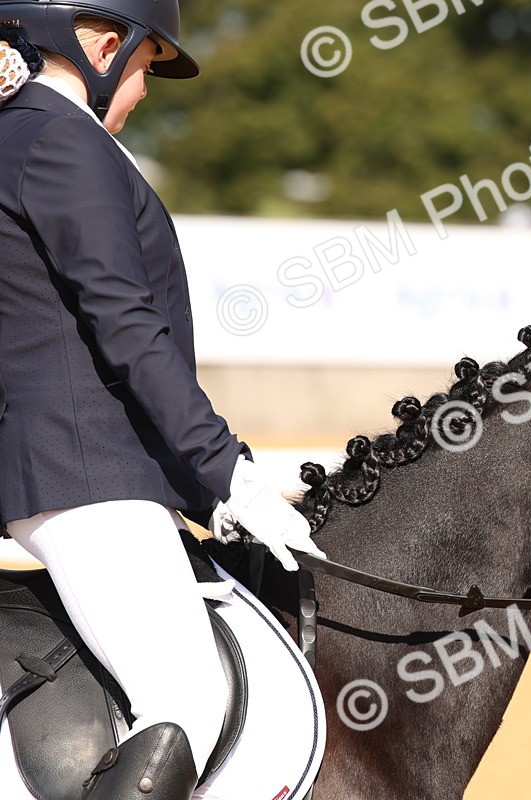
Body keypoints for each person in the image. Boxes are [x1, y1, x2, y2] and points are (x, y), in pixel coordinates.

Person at [0, 3, 326, 798]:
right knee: (187, 699)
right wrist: (226, 473)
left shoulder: (16, 136)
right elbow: (126, 326)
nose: (144, 88)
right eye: (146, 65)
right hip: (79, 467)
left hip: (57, 463)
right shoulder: (63, 143)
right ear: (104, 45)